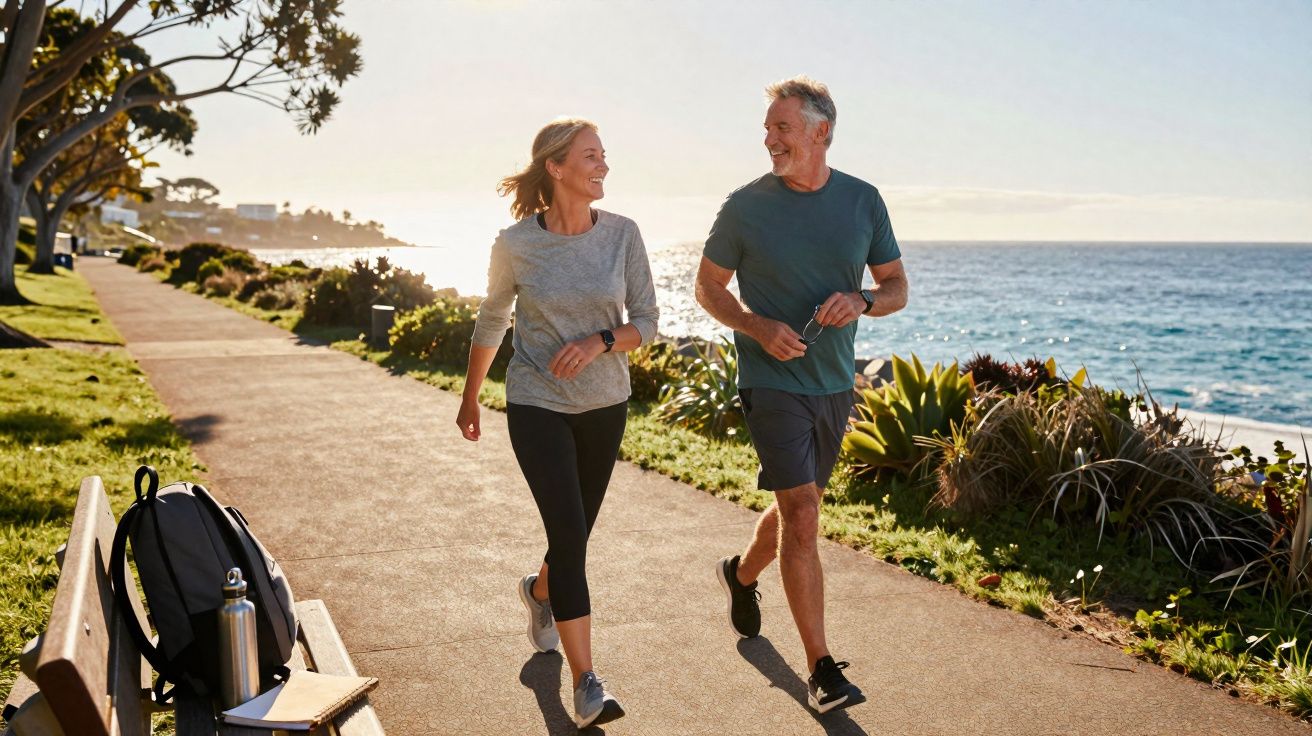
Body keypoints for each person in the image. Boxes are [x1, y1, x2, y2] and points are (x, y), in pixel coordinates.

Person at [695, 76, 908, 715]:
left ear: (822, 132)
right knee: (803, 510)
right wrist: (756, 326)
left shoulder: (863, 200)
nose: (770, 139)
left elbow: (896, 286)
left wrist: (864, 300)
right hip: (770, 379)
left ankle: (740, 574)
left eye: (782, 128)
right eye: (768, 128)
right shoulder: (744, 206)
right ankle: (821, 669)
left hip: (835, 382)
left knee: (801, 505)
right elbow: (708, 287)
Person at [459, 117, 659, 729]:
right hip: (536, 402)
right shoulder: (515, 243)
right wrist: (470, 397)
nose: (603, 166)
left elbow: (647, 323)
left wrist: (601, 341)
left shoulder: (623, 234)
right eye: (591, 156)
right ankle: (587, 681)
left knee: (573, 536)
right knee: (570, 537)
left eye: (604, 156)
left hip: (606, 404)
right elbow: (493, 320)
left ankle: (541, 592)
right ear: (556, 167)